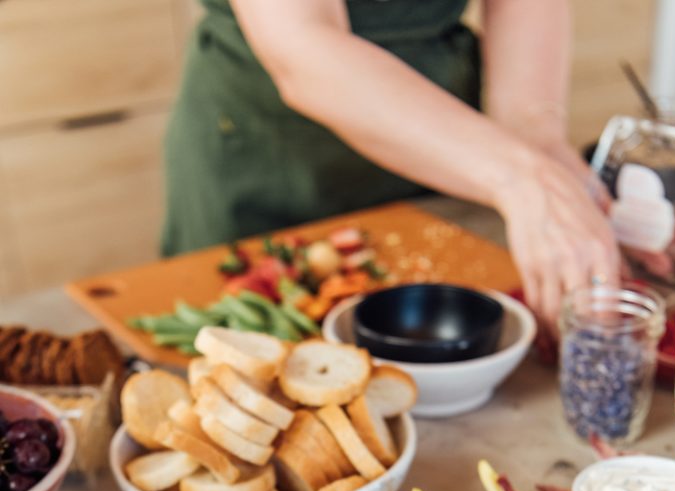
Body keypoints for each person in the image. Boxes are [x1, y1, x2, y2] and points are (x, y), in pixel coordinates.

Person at [163, 0, 619, 329]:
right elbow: (301, 46)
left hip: (455, 147)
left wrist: (535, 138)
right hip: (271, 147)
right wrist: (523, 178)